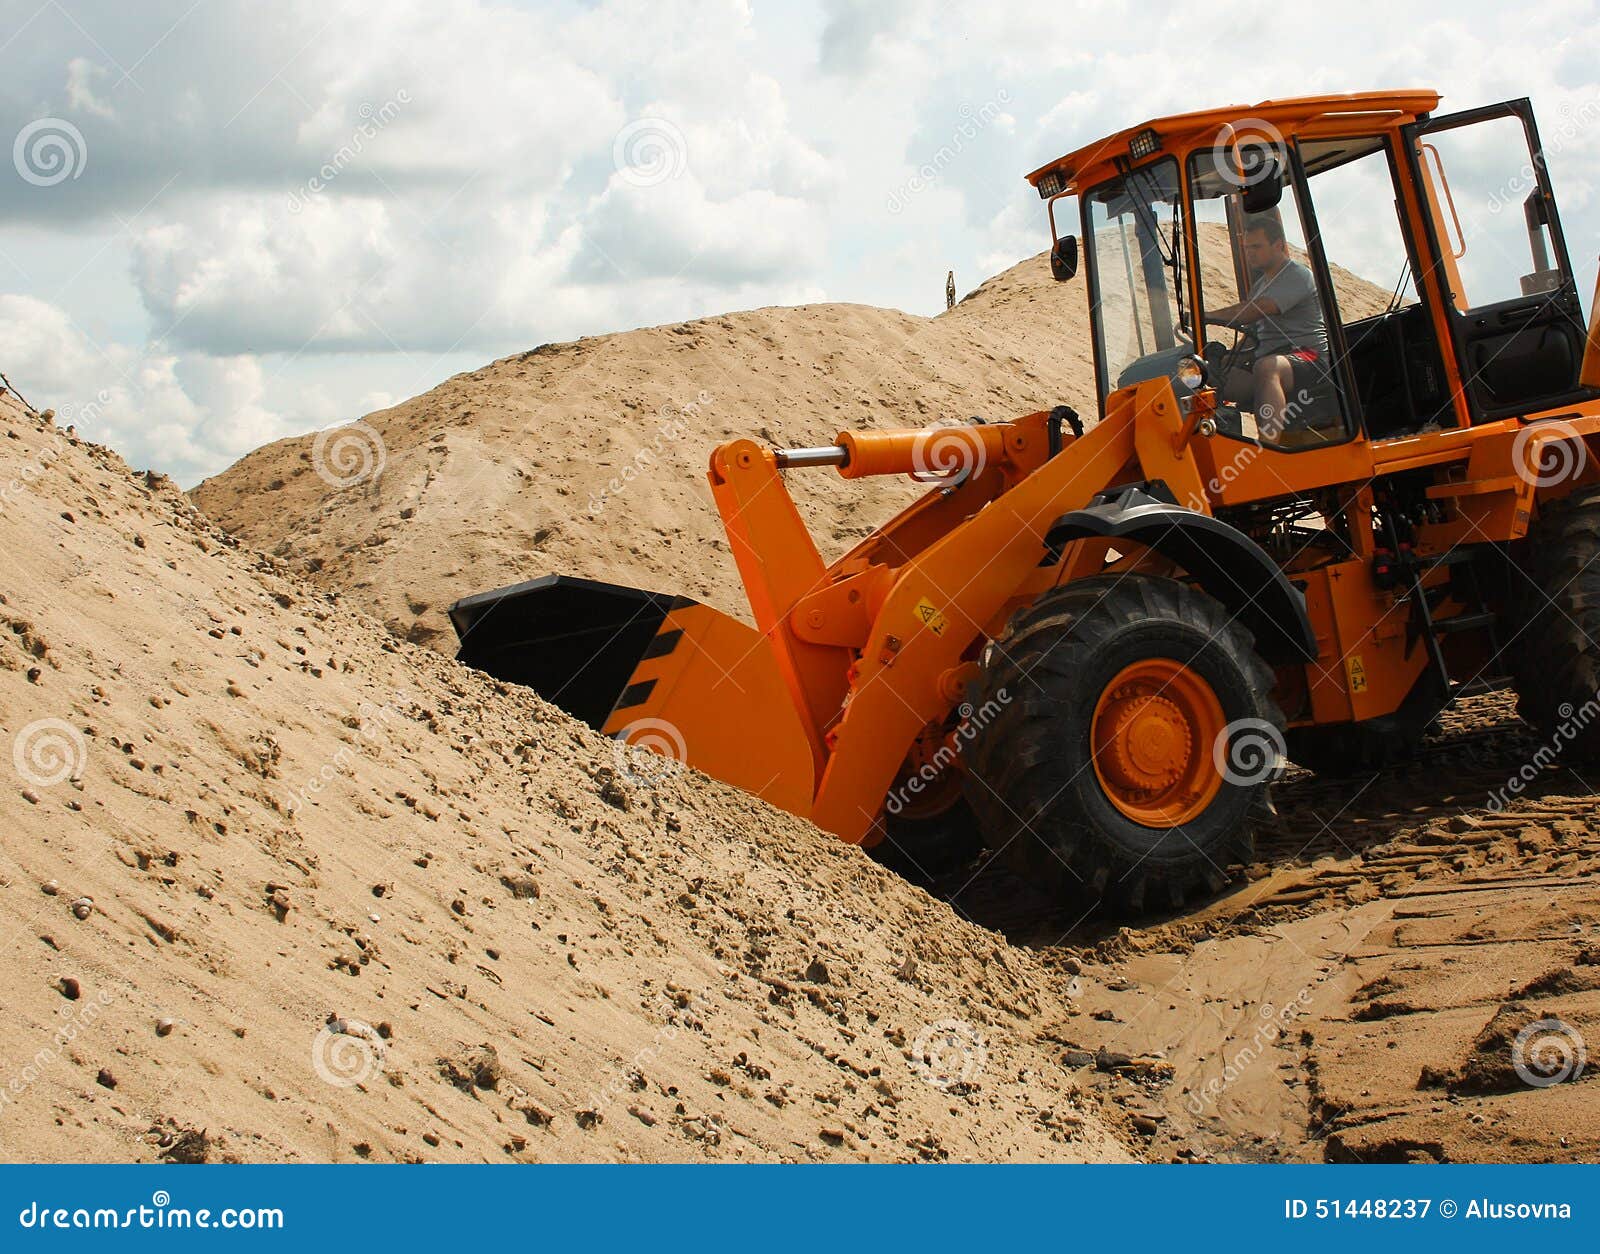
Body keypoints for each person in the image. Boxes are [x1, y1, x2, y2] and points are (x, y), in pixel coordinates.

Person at [1204, 216, 1329, 439]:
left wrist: (1206, 316)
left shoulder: (1297, 276)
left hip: (1308, 356)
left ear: (1278, 245)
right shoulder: (1260, 286)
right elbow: (1253, 335)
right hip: (1271, 357)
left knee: (1267, 367)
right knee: (1208, 373)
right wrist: (1226, 361)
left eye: (1256, 246)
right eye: (1247, 247)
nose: (1249, 252)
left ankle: (1270, 447)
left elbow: (1258, 310)